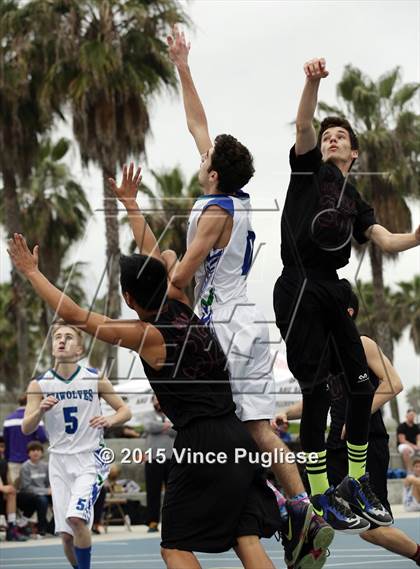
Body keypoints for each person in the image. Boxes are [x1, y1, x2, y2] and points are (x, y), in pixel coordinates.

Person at [115, 28, 332, 568]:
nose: (201, 150)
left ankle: (281, 505)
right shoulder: (224, 196)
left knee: (229, 424)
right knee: (255, 424)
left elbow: (181, 278)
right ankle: (299, 507)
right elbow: (196, 123)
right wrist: (183, 66)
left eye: (206, 155)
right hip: (243, 319)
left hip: (227, 323)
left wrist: (149, 272)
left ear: (213, 172)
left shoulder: (216, 212)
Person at [8, 192, 286, 569]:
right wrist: (131, 205)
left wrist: (31, 272)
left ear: (127, 296)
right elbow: (154, 255)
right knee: (245, 538)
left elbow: (74, 312)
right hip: (236, 434)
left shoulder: (148, 335)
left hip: (201, 440)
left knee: (173, 545)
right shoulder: (182, 302)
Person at [273, 56, 420, 531]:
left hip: (333, 290)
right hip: (297, 285)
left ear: (354, 154)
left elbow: (386, 240)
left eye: (340, 138)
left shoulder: (356, 201)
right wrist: (311, 83)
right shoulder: (308, 171)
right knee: (315, 395)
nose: (332, 139)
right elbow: (301, 122)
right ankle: (320, 495)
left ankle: (355, 483)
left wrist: (417, 236)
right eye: (328, 135)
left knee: (360, 385)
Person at [274, 290, 420, 565]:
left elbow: (394, 384)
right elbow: (316, 400)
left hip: (366, 443)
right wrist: (285, 413)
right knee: (310, 500)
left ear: (346, 313)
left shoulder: (363, 344)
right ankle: (307, 553)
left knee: (373, 532)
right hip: (335, 445)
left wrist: (357, 417)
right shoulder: (326, 355)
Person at [21, 320, 132, 569]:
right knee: (66, 537)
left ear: (79, 350)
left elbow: (125, 411)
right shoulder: (39, 385)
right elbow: (26, 427)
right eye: (57, 337)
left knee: (77, 519)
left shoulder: (94, 378)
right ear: (52, 347)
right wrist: (39, 410)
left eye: (69, 337)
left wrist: (110, 419)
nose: (61, 340)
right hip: (59, 461)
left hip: (90, 458)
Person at [143, 395, 176, 533]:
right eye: (155, 399)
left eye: (159, 398)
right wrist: (167, 426)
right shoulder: (148, 415)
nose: (158, 401)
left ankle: (173, 522)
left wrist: (162, 428)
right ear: (152, 402)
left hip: (171, 458)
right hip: (154, 458)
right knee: (153, 491)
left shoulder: (173, 414)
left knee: (173, 492)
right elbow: (149, 426)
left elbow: (177, 430)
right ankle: (152, 522)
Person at [3, 393, 47, 484]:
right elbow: (43, 438)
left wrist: (8, 458)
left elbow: (5, 442)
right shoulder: (35, 418)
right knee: (33, 489)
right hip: (32, 461)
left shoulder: (8, 420)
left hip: (14, 461)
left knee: (15, 490)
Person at [18, 440, 52, 536]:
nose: (35, 452)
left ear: (42, 452)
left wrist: (50, 490)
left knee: (60, 499)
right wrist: (45, 491)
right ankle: (41, 528)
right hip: (30, 495)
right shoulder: (25, 467)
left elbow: (48, 483)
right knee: (42, 500)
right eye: (33, 450)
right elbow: (26, 487)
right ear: (28, 453)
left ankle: (52, 527)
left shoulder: (46, 466)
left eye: (38, 450)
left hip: (45, 492)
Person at [0, 435, 27, 541]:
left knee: (19, 494)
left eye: (2, 446)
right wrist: (4, 489)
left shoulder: (4, 462)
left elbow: (9, 480)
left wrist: (13, 486)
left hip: (4, 495)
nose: (0, 449)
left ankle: (12, 527)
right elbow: (2, 486)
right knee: (9, 491)